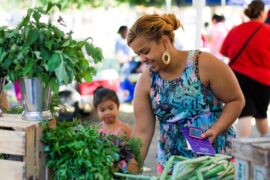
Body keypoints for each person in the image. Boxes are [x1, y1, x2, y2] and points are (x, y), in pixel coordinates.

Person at [127, 13, 245, 174]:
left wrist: (216, 129)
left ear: (164, 41)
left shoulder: (203, 63)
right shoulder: (146, 81)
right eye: (137, 54)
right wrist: (129, 170)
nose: (142, 58)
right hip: (175, 169)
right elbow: (142, 131)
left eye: (145, 51)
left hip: (217, 164)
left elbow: (236, 100)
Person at [221, 0, 270, 137]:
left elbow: (224, 51)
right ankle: (265, 146)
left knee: (245, 112)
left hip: (238, 77)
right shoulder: (268, 31)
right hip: (262, 79)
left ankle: (244, 150)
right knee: (261, 114)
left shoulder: (236, 30)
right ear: (261, 12)